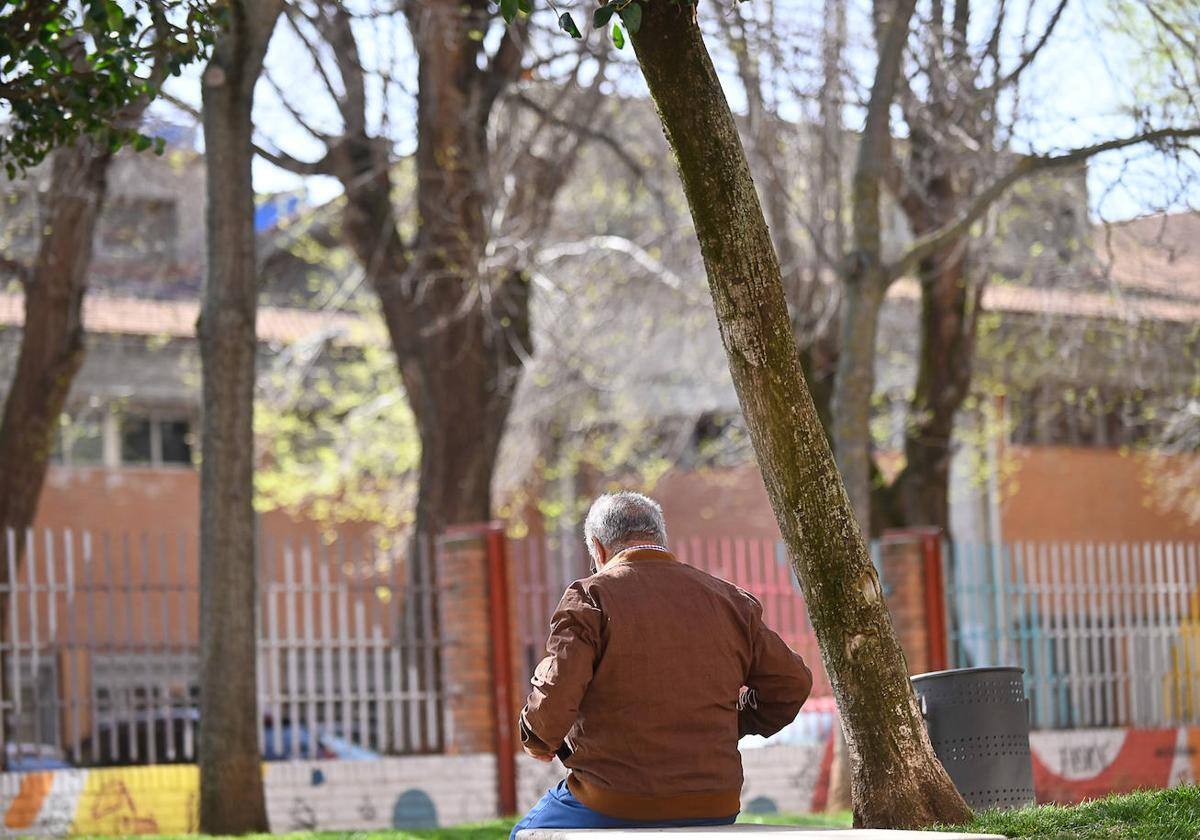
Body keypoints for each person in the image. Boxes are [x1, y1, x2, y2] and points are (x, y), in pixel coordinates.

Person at [510, 491, 813, 839]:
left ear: (598, 547)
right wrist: (731, 722)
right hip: (715, 802)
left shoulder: (590, 597)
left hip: (613, 800)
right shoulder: (729, 600)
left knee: (524, 833)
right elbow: (792, 684)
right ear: (661, 538)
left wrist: (537, 740)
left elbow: (554, 695)